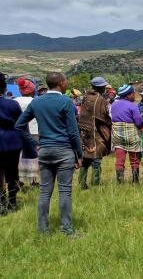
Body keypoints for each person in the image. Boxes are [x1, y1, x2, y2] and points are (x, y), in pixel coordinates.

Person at [15, 72, 82, 235]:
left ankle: (43, 229)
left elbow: (19, 125)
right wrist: (79, 154)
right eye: (65, 80)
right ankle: (67, 229)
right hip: (64, 150)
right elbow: (73, 132)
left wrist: (35, 144)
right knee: (65, 191)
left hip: (44, 150)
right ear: (60, 83)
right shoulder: (66, 102)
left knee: (45, 192)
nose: (67, 83)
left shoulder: (37, 102)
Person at [78, 77, 112, 189]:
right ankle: (96, 184)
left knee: (86, 158)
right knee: (96, 159)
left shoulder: (85, 97)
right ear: (101, 87)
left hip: (84, 132)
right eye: (104, 87)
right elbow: (104, 116)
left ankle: (81, 184)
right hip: (97, 133)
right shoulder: (101, 100)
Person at [0, 73, 25, 214]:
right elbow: (21, 124)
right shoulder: (12, 104)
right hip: (12, 143)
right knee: (12, 173)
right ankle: (13, 202)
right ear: (4, 88)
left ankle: (1, 203)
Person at [110, 85, 143, 184]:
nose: (134, 95)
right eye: (133, 93)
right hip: (131, 136)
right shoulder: (132, 105)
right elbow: (138, 122)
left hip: (118, 136)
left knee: (119, 160)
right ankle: (135, 182)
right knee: (134, 160)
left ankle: (120, 183)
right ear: (128, 95)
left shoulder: (114, 105)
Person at [15, 77, 39, 187]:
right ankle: (33, 180)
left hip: (19, 131)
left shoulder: (15, 101)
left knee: (20, 156)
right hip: (34, 131)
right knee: (33, 156)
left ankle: (20, 179)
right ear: (32, 90)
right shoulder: (36, 101)